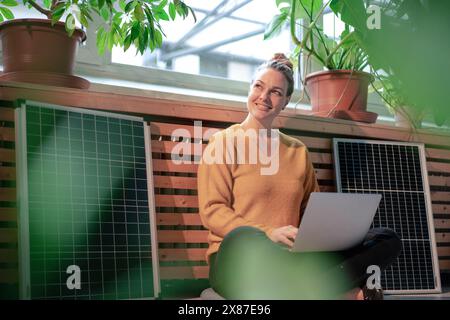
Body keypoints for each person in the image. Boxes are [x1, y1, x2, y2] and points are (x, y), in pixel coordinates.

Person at [197, 53, 401, 300]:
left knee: (386, 239)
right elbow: (212, 211)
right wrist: (268, 233)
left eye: (275, 92)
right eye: (258, 87)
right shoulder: (223, 143)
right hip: (240, 258)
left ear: (284, 101)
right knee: (244, 237)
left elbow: (310, 212)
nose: (264, 97)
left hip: (292, 257)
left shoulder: (297, 150)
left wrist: (331, 234)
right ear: (250, 89)